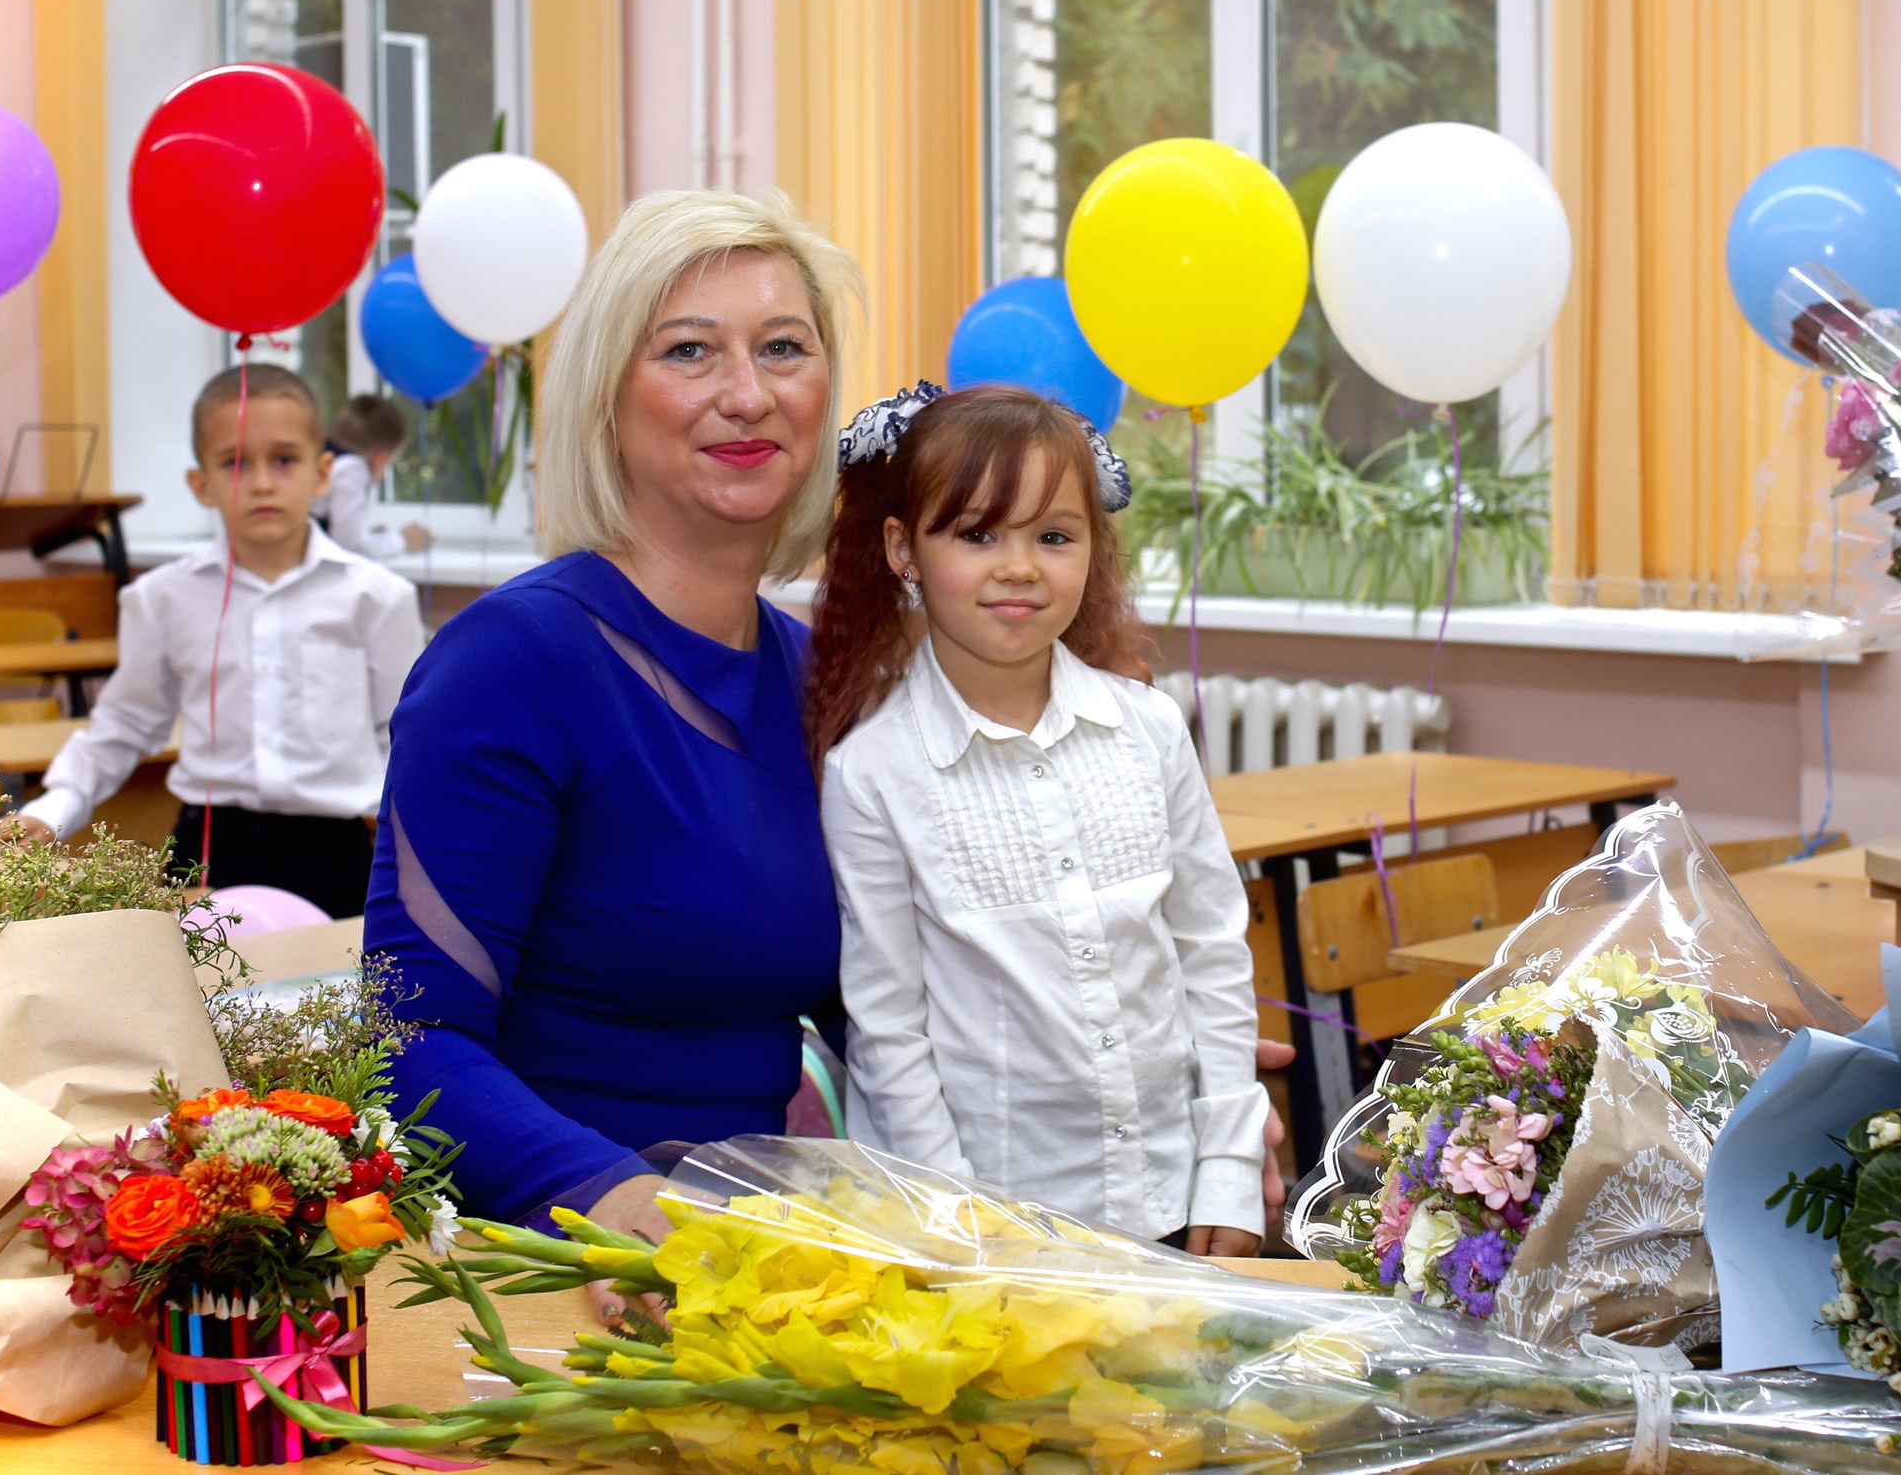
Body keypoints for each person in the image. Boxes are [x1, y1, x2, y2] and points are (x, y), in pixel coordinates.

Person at [358, 190, 856, 1243]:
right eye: (688, 351)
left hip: (758, 1247)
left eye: (782, 348)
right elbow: (410, 1040)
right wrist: (613, 1198)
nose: (747, 394)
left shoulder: (824, 679)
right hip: (549, 1258)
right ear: (605, 401)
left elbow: (890, 1010)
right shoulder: (512, 661)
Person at [806, 384, 1270, 1256]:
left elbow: (1211, 951)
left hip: (1175, 1199)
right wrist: (964, 1231)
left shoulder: (1149, 728)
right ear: (904, 549)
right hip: (1000, 1231)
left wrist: (1231, 1170)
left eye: (1054, 536)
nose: (1019, 566)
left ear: (1094, 548)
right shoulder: (872, 774)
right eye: (977, 534)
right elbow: (890, 1031)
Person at [8, 365, 423, 919]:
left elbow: (406, 741)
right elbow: (125, 723)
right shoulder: (163, 598)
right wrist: (54, 806)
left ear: (323, 473)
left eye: (284, 459)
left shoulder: (378, 597)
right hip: (208, 850)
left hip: (338, 855)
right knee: (196, 978)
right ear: (201, 484)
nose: (261, 483)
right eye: (234, 463)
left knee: (337, 978)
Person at [319, 393, 434, 560]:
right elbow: (352, 547)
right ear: (379, 459)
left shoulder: (325, 455)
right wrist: (403, 540)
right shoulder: (352, 469)